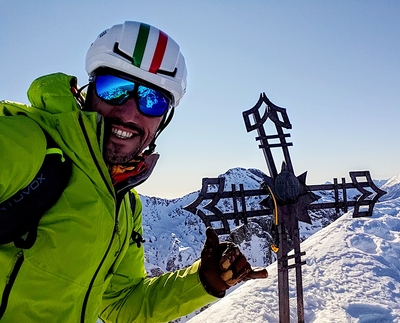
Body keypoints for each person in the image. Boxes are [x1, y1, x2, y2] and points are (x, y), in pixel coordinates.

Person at [0, 21, 267, 323]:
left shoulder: (124, 203)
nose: (128, 113)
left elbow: (120, 304)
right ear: (87, 92)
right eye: (114, 89)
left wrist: (204, 282)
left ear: (162, 121)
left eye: (151, 101)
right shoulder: (28, 144)